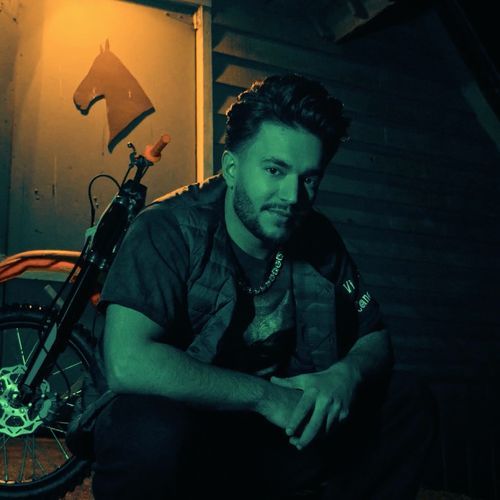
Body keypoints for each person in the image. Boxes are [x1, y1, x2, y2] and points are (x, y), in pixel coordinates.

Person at [90, 74, 436, 499]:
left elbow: (375, 337)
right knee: (146, 427)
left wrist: (343, 376)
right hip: (194, 436)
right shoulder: (168, 228)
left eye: (309, 178)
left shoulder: (317, 237)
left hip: (273, 442)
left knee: (406, 399)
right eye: (274, 170)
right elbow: (128, 362)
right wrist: (265, 397)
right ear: (232, 168)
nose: (292, 196)